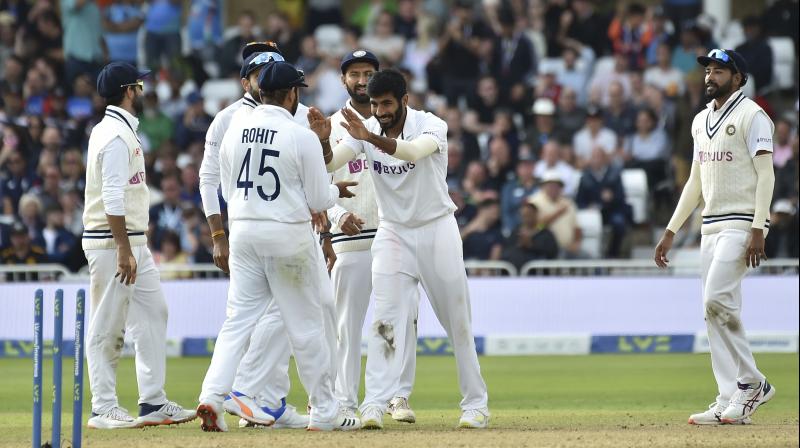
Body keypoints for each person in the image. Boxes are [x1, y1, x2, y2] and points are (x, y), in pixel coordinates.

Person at [309, 68, 490, 429]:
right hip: (392, 233)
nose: (380, 111)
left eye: (387, 103)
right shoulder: (368, 127)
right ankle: (373, 404)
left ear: (405, 100)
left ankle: (475, 405)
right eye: (375, 104)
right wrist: (325, 140)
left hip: (436, 228)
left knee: (457, 322)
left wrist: (369, 139)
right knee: (385, 321)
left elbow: (412, 150)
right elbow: (330, 163)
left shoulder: (431, 124)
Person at [196, 60, 359, 432]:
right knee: (305, 327)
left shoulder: (234, 129)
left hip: (244, 233)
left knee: (237, 323)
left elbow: (225, 188)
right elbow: (318, 197)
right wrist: (336, 190)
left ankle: (212, 396)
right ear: (291, 94)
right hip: (286, 233)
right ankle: (323, 411)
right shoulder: (299, 133)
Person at [654, 49, 776, 425]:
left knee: (716, 298)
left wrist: (759, 226)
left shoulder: (753, 116)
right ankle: (728, 398)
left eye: (719, 70)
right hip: (710, 225)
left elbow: (766, 174)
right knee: (713, 312)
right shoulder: (699, 121)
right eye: (708, 70)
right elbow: (695, 183)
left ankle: (753, 383)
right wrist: (672, 230)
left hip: (742, 223)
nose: (710, 76)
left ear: (738, 78)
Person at [198, 42, 313, 430]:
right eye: (259, 72)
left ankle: (237, 398)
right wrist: (218, 233)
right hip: (268, 231)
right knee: (279, 314)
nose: (266, 78)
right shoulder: (228, 119)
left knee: (250, 319)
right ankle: (252, 395)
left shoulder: (293, 115)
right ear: (246, 80)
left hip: (261, 230)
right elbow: (209, 180)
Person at [82, 61, 196, 429]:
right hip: (112, 243)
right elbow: (113, 196)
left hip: (132, 241)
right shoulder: (114, 136)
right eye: (140, 87)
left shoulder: (120, 129)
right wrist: (122, 249)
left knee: (153, 312)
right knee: (108, 323)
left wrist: (130, 246)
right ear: (130, 91)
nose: (143, 93)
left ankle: (153, 402)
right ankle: (103, 408)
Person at [325, 49, 419, 424]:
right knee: (347, 325)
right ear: (343, 80)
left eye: (369, 74)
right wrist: (335, 214)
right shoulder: (330, 126)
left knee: (404, 319)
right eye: (355, 74)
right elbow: (314, 182)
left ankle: (397, 396)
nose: (362, 81)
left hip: (395, 234)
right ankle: (344, 401)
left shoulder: (403, 125)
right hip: (350, 237)